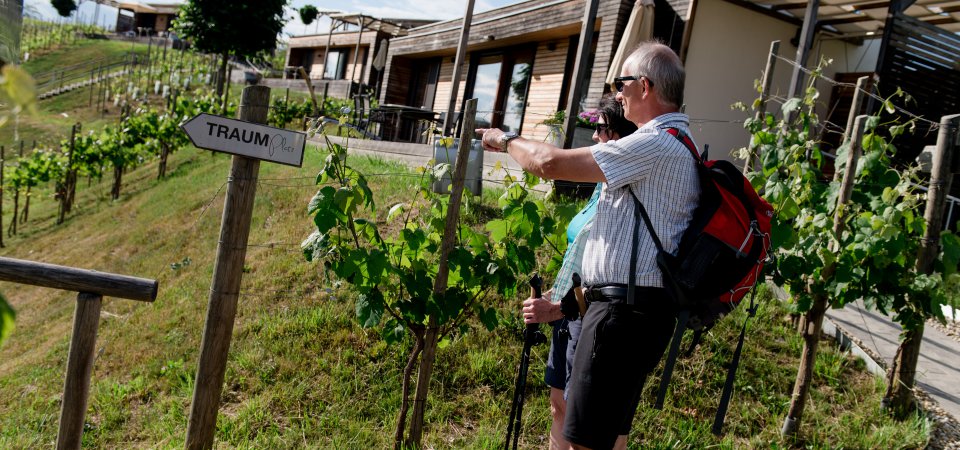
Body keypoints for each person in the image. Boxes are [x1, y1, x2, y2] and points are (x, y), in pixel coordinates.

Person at [479, 41, 699, 450]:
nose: (618, 93)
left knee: (587, 443)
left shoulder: (655, 144)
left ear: (645, 86)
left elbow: (549, 164)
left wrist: (504, 137)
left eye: (622, 83)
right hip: (625, 310)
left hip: (622, 315)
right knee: (596, 435)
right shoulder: (675, 144)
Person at [522, 94, 637, 450]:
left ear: (621, 135)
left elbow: (609, 276)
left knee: (592, 424)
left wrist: (555, 310)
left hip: (594, 317)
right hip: (570, 313)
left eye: (601, 129)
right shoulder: (600, 190)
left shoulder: (627, 197)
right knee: (560, 406)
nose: (595, 138)